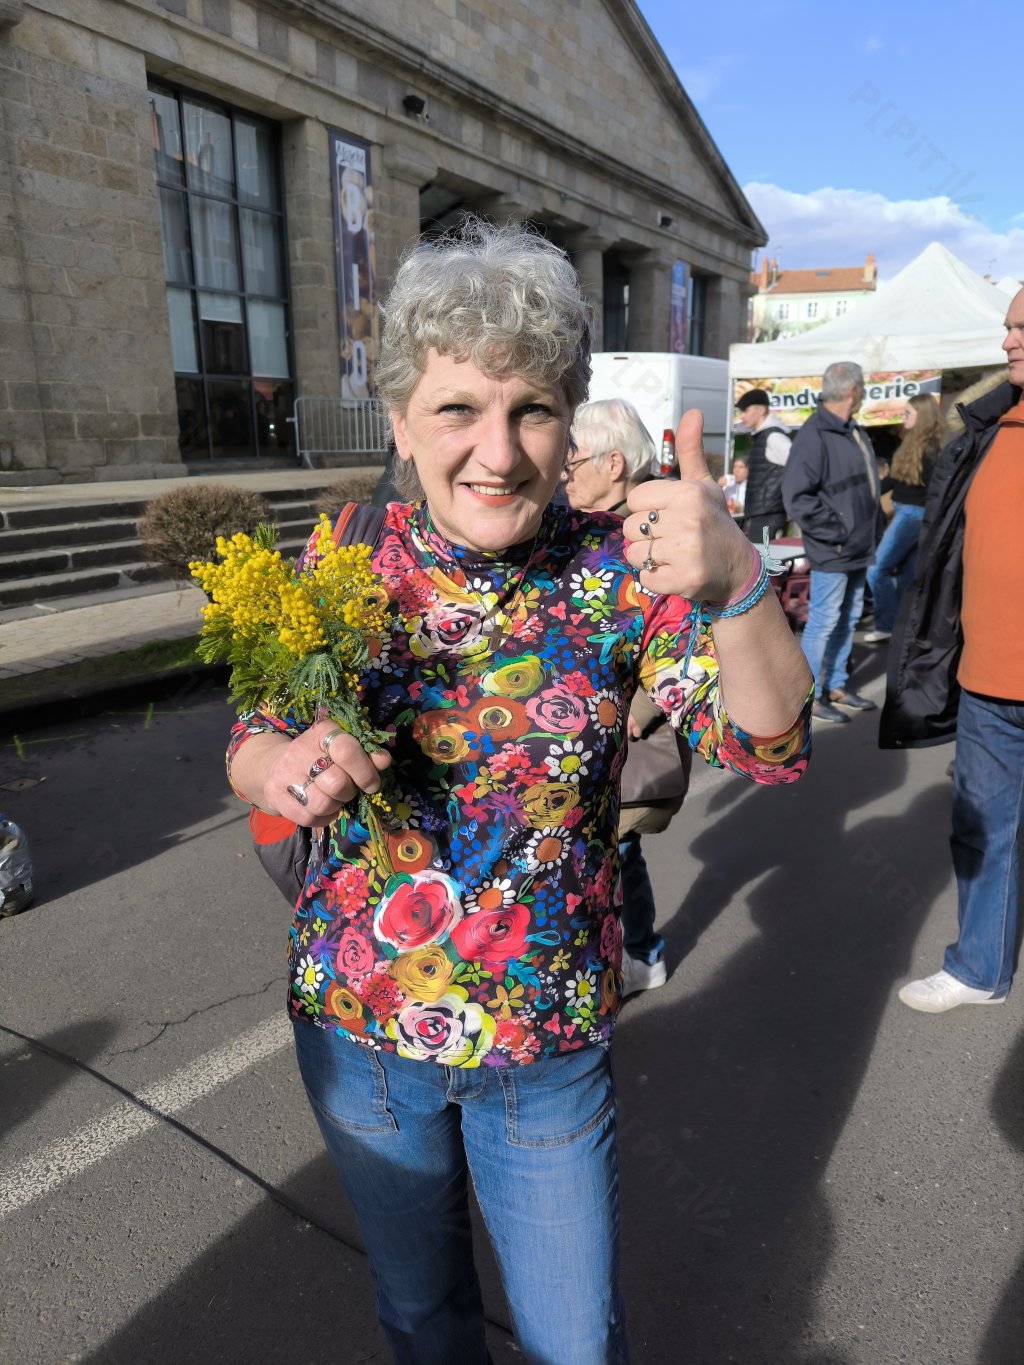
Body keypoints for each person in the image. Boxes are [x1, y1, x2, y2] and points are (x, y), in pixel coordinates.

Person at [226, 219, 813, 1364]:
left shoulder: (620, 570)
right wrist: (277, 769)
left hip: (544, 1047)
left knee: (572, 1341)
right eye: (457, 409)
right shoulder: (342, 554)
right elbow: (253, 727)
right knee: (418, 1314)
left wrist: (737, 581)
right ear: (399, 421)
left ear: (567, 423)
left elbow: (771, 748)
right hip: (360, 1033)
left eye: (532, 409)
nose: (497, 451)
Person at [881, 287, 1024, 1014]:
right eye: (1007, 327)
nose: (1008, 341)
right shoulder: (988, 424)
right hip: (987, 684)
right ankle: (979, 967)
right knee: (981, 830)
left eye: (1023, 327)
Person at [563, 397, 693, 995]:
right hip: (585, 725)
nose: (564, 470)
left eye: (575, 458)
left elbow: (691, 632)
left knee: (615, 849)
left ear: (613, 463)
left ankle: (639, 951)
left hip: (624, 726)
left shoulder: (650, 530)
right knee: (607, 849)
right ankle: (635, 951)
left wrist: (638, 712)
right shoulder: (586, 527)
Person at [782, 360, 880, 725]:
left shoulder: (850, 430)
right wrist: (837, 531)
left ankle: (835, 684)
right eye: (864, 386)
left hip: (855, 545)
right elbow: (797, 497)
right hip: (836, 547)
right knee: (824, 620)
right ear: (853, 391)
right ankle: (811, 693)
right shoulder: (815, 435)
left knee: (848, 617)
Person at [863, 393, 942, 643]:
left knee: (876, 570)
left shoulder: (931, 449)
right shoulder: (910, 443)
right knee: (908, 578)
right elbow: (895, 480)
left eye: (908, 413)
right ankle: (907, 628)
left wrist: (931, 525)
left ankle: (890, 623)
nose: (903, 417)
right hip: (907, 512)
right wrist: (870, 492)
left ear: (922, 416)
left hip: (913, 516)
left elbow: (935, 491)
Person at [734, 387, 792, 543]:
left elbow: (798, 469)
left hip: (769, 515)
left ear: (760, 410)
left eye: (745, 410)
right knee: (762, 564)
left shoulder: (774, 437)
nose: (742, 416)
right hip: (762, 514)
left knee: (765, 565)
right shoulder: (762, 436)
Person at [718, 454, 748, 519]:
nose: (737, 470)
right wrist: (719, 485)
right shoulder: (729, 482)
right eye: (735, 467)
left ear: (748, 469)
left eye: (741, 467)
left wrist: (739, 507)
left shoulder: (751, 487)